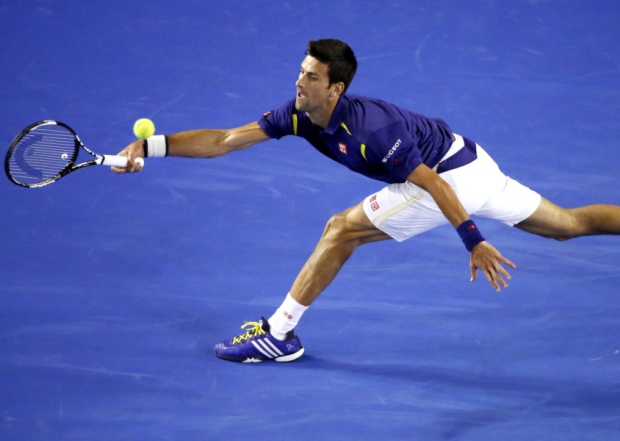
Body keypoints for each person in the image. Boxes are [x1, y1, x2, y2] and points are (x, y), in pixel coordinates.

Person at [114, 39, 620, 363]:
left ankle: (279, 334)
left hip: (448, 179)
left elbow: (435, 186)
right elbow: (225, 139)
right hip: (474, 161)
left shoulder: (372, 132)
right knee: (565, 225)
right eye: (300, 72)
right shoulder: (296, 113)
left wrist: (474, 241)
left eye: (312, 77)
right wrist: (151, 147)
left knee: (342, 229)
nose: (299, 82)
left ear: (335, 88)